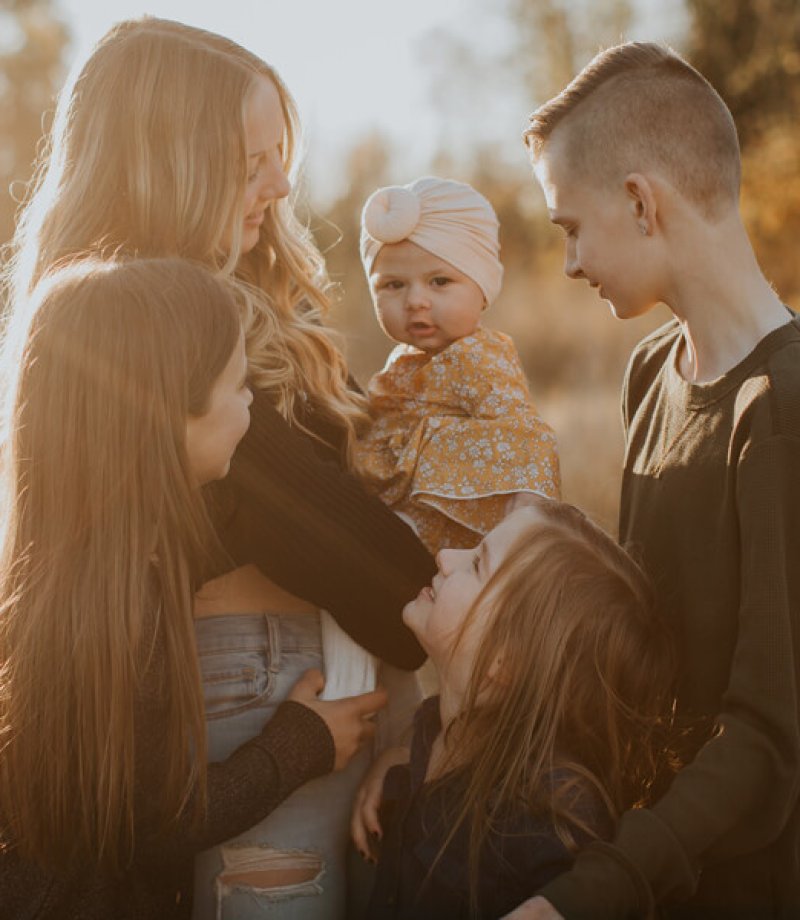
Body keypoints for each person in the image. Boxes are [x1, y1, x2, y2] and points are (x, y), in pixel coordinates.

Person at [2, 17, 437, 918]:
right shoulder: (162, 346)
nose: (281, 187)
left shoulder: (121, 317)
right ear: (168, 165)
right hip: (265, 693)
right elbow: (387, 583)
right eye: (251, 164)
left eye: (282, 155)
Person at [506, 41, 800, 919]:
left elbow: (766, 739)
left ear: (641, 201)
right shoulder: (649, 373)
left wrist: (587, 898)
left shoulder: (780, 408)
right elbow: (638, 657)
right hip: (645, 863)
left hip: (742, 887)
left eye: (569, 228)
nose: (566, 264)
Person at [0, 257, 386, 919]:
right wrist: (300, 744)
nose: (249, 405)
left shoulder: (62, 570)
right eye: (240, 386)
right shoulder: (122, 607)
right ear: (163, 415)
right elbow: (150, 828)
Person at [349, 500, 673, 919]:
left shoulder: (543, 829)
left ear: (507, 659)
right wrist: (398, 765)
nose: (445, 556)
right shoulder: (435, 732)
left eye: (478, 563)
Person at [354, 176, 561, 554]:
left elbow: (526, 439)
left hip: (452, 541)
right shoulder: (401, 361)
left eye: (439, 281)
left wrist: (522, 532)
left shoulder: (478, 357)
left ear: (482, 289)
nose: (416, 300)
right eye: (394, 286)